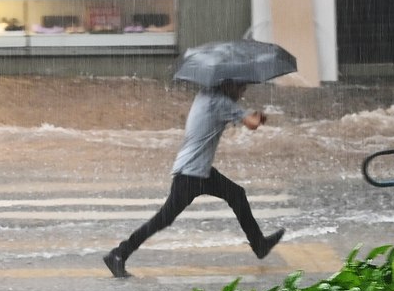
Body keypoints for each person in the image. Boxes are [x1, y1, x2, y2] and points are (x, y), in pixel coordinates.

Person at [103, 79, 284, 278]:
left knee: (236, 194)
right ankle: (119, 254)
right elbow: (251, 124)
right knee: (163, 219)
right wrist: (257, 116)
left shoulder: (205, 95)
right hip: (191, 174)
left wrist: (250, 116)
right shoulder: (221, 103)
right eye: (241, 88)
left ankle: (259, 245)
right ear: (229, 85)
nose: (242, 93)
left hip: (201, 171)